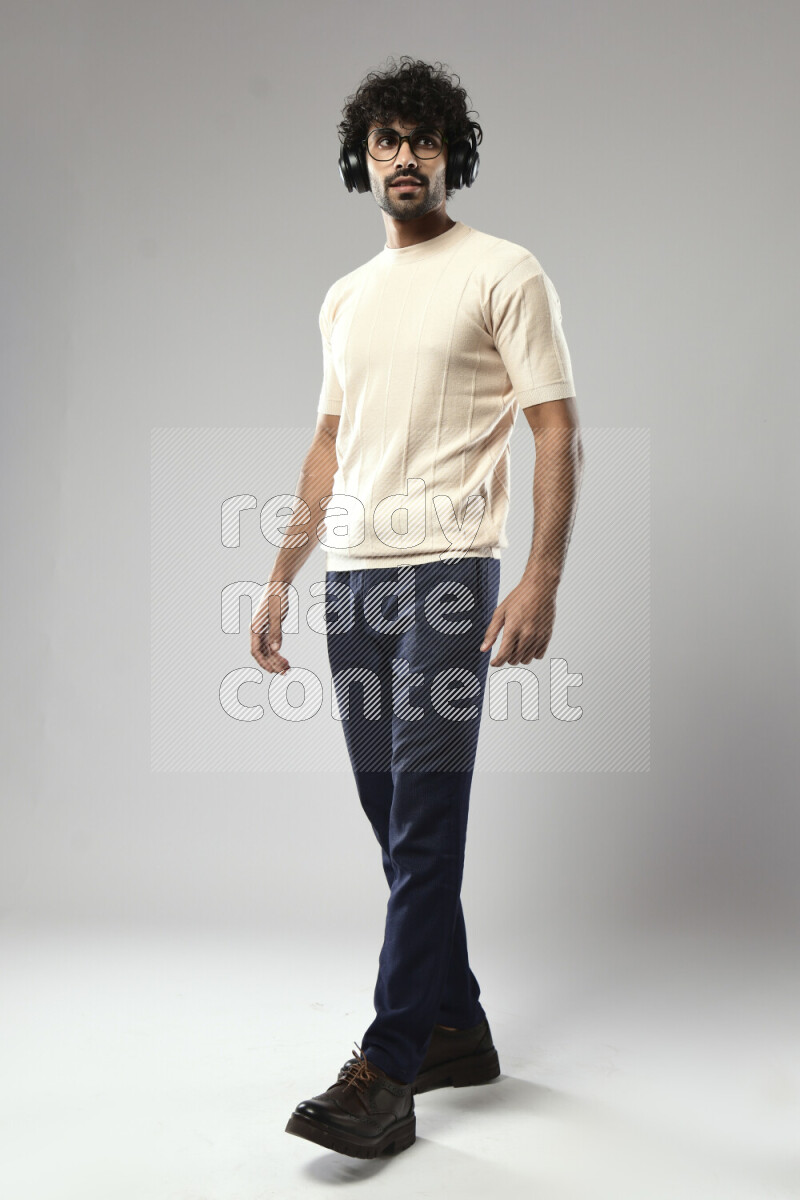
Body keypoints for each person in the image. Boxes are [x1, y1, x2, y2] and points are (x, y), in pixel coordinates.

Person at [251, 55, 584, 1160]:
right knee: (389, 816)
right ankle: (456, 1027)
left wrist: (538, 574)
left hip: (449, 574)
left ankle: (386, 1070)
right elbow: (328, 446)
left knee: (423, 818)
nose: (403, 157)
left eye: (423, 139)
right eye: (385, 140)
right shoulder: (344, 297)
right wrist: (281, 577)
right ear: (362, 157)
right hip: (353, 580)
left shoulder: (504, 270)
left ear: (452, 155)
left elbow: (553, 427)